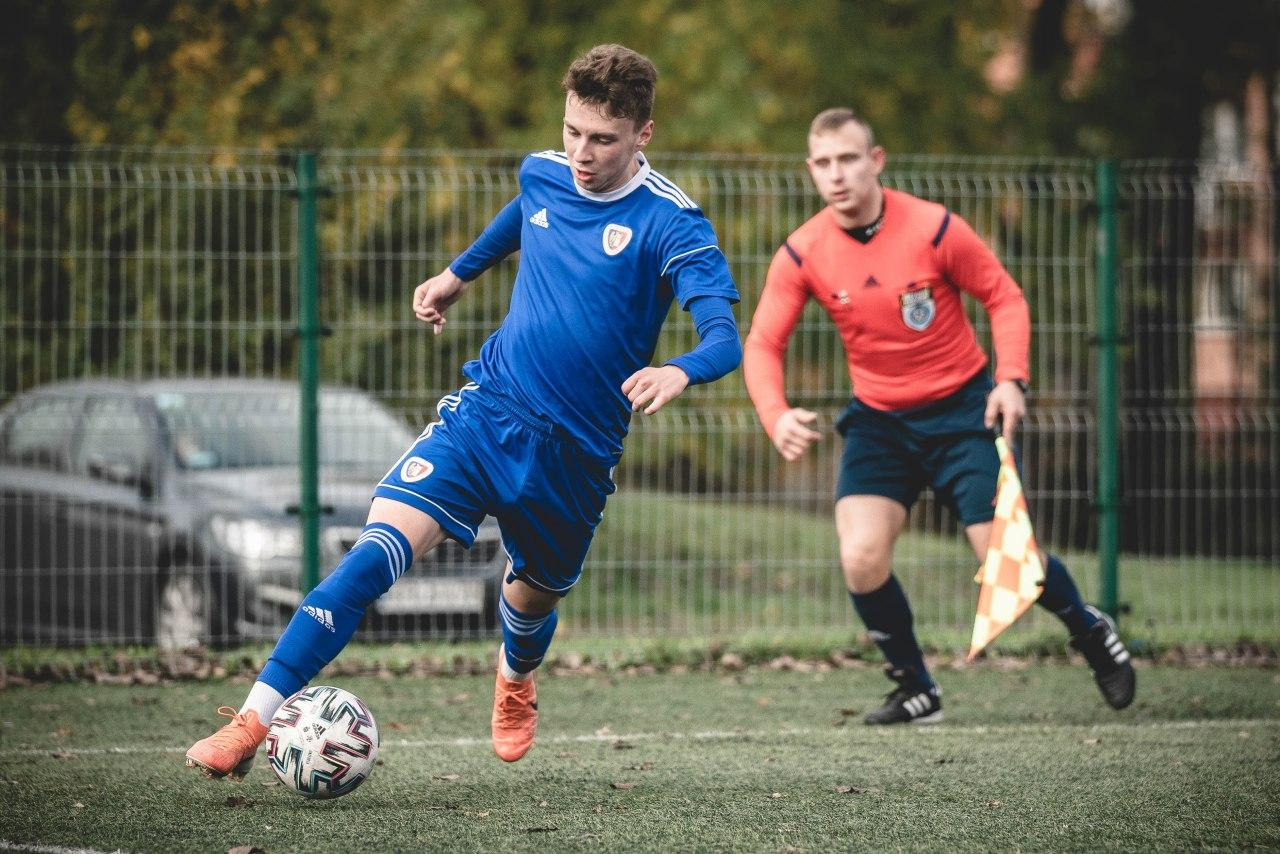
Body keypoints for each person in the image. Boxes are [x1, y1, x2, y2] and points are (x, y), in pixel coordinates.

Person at [185, 43, 742, 776]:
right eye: (572, 131)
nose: (581, 153)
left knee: (532, 601)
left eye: (603, 140)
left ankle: (515, 678)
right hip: (487, 414)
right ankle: (252, 721)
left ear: (644, 133)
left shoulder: (673, 222)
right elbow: (523, 214)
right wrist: (457, 274)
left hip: (575, 457)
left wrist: (678, 369)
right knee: (374, 553)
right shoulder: (545, 173)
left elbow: (724, 338)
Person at [742, 108, 1134, 725]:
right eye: (823, 163)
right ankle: (915, 689)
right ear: (810, 170)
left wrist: (1011, 380)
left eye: (848, 159)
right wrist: (776, 413)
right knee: (860, 556)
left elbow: (1004, 297)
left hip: (963, 414)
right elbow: (764, 343)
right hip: (879, 422)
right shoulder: (803, 252)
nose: (836, 174)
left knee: (1011, 566)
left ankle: (1090, 629)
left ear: (876, 161)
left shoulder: (934, 228)